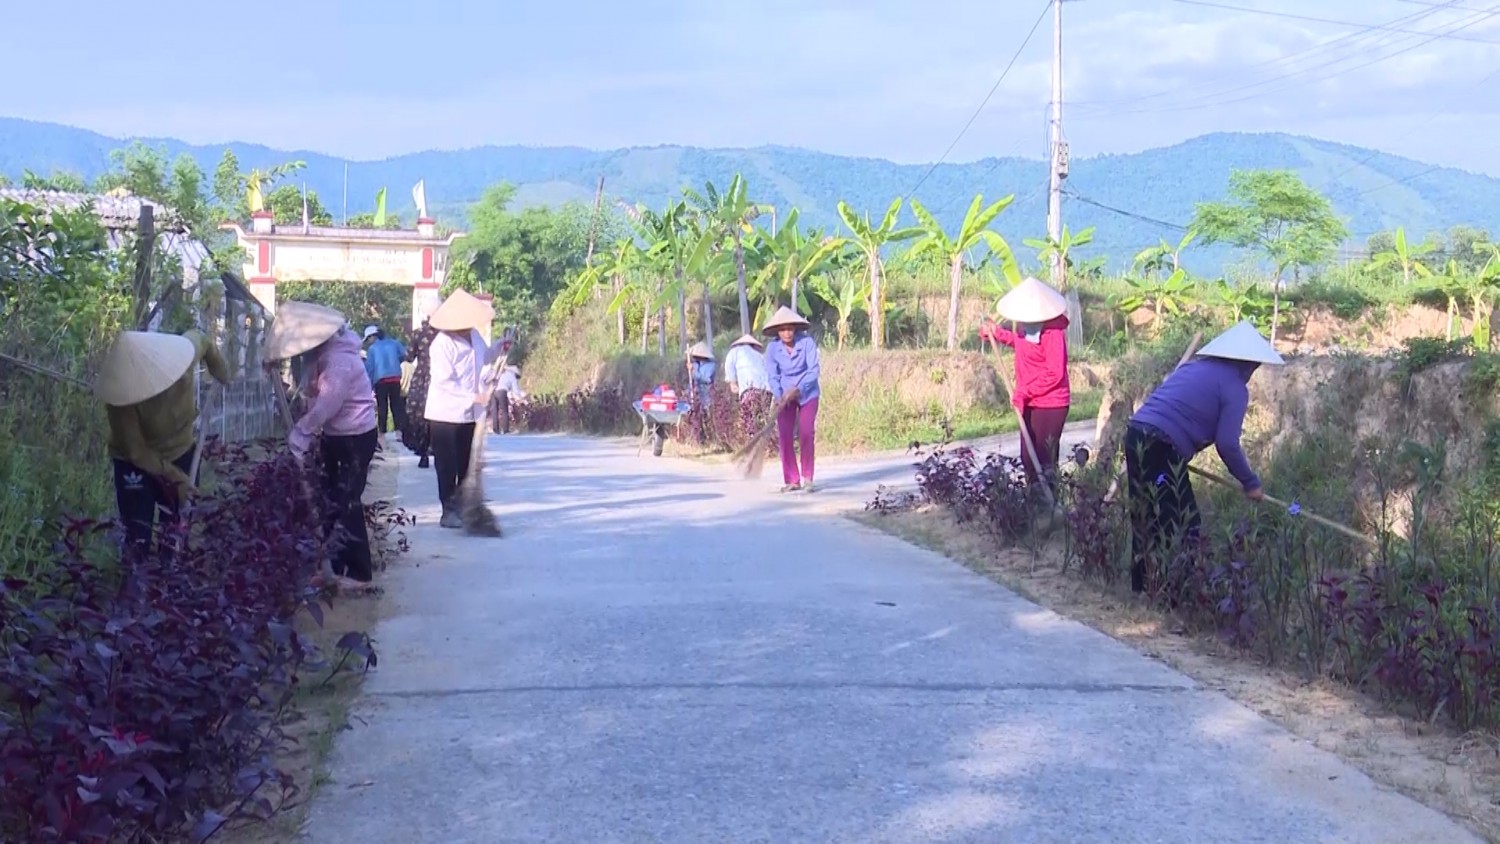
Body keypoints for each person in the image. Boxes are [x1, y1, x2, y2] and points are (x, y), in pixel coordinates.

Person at [1124, 320, 1284, 594]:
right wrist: (1251, 483)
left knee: (1146, 514)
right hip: (1162, 447)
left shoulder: (1192, 368)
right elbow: (1227, 444)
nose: (1253, 371)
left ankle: (1143, 589)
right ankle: (1175, 594)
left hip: (1136, 436)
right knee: (1183, 522)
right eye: (1254, 365)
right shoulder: (1234, 388)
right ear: (1246, 363)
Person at [266, 301, 380, 583]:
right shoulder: (326, 355)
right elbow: (312, 392)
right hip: (338, 435)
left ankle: (358, 572)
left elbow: (328, 403)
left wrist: (303, 431)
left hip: (354, 437)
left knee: (347, 500)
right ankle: (335, 566)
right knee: (331, 498)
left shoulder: (339, 362)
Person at [96, 328, 231, 552]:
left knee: (177, 532)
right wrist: (174, 479)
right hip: (135, 465)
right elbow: (136, 451)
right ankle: (137, 583)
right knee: (137, 538)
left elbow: (203, 341)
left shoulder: (183, 359)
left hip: (181, 452)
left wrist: (220, 369)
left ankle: (172, 582)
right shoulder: (122, 400)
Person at [979, 277, 1071, 487]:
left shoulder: (1053, 333)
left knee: (1043, 459)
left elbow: (1054, 373)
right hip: (1029, 400)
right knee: (1028, 459)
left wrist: (1024, 392)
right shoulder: (1026, 326)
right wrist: (997, 334)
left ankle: (1048, 506)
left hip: (1051, 404)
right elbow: (1021, 343)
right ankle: (1034, 506)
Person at [424, 290, 504, 529]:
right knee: (446, 464)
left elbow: (486, 357)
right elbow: (444, 382)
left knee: (464, 463)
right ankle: (447, 510)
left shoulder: (474, 336)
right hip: (444, 414)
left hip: (469, 414)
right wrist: (474, 396)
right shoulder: (442, 345)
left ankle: (464, 506)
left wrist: (500, 346)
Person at [763, 307, 820, 494]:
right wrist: (780, 396)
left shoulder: (807, 343)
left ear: (795, 329)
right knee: (785, 436)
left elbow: (813, 370)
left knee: (806, 432)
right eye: (782, 329)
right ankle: (792, 479)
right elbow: (772, 375)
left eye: (790, 328)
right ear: (777, 331)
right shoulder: (772, 349)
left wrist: (799, 389)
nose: (787, 332)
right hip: (784, 395)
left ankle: (808, 477)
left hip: (807, 393)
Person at [402, 317, 439, 468]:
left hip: (422, 377)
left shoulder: (418, 334)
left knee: (419, 414)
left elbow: (409, 357)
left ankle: (422, 452)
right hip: (438, 377)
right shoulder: (443, 334)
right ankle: (437, 449)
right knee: (438, 415)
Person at [363, 325, 408, 437]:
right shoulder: (394, 343)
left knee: (382, 407)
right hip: (395, 378)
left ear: (373, 336)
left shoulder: (372, 349)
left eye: (368, 339)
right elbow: (405, 355)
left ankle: (382, 433)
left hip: (381, 380)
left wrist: (369, 385)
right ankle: (399, 432)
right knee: (396, 405)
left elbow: (370, 368)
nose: (368, 342)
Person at [724, 333, 771, 437]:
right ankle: (766, 442)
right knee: (763, 417)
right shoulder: (759, 355)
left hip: (749, 390)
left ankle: (752, 440)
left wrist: (732, 382)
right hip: (766, 391)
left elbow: (729, 367)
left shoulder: (734, 352)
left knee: (749, 417)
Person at [489, 364, 526, 435]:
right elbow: (515, 390)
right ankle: (506, 430)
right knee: (505, 411)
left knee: (494, 411)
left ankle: (496, 430)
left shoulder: (500, 373)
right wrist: (520, 397)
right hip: (502, 392)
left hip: (493, 391)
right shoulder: (512, 376)